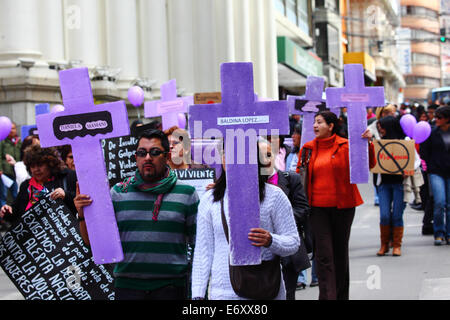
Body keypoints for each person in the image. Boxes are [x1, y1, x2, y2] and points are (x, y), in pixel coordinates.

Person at [74, 129, 199, 300]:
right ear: (135, 157)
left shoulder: (187, 193)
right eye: (142, 153)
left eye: (154, 152)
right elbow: (93, 243)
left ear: (167, 156)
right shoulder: (118, 193)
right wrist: (83, 215)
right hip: (127, 287)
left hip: (171, 288)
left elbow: (199, 244)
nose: (147, 157)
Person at [191, 141, 300, 300]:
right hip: (223, 294)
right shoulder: (210, 200)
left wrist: (271, 240)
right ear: (223, 160)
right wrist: (198, 295)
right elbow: (203, 252)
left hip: (266, 290)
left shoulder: (274, 196)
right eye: (229, 156)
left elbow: (293, 243)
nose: (234, 161)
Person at [295, 111, 375, 300]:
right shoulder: (307, 148)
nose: (315, 126)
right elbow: (300, 175)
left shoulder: (347, 145)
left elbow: (368, 164)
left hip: (344, 207)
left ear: (331, 126)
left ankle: (341, 296)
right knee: (323, 255)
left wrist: (369, 143)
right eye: (314, 122)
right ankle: (327, 296)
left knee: (340, 253)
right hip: (316, 209)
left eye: (320, 122)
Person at [257, 137, 310, 300]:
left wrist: (280, 220)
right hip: (260, 253)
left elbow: (302, 208)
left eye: (268, 154)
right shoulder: (249, 184)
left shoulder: (290, 178)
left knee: (287, 295)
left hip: (287, 254)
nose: (264, 159)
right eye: (259, 155)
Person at [0, 145, 78, 223]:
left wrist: (66, 195)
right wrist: (7, 212)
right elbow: (16, 214)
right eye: (32, 166)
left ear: (50, 164)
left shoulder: (67, 177)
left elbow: (81, 203)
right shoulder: (26, 185)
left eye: (40, 165)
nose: (36, 169)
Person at [375, 116, 408, 256]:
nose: (380, 129)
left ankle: (396, 245)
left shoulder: (405, 142)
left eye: (382, 126)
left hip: (400, 184)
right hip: (384, 184)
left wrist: (409, 169)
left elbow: (415, 160)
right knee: (384, 215)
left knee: (397, 215)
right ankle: (384, 244)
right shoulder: (378, 143)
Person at [419, 106, 450, 245]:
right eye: (435, 117)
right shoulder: (431, 132)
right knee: (439, 202)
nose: (436, 119)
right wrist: (430, 166)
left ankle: (448, 233)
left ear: (447, 119)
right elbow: (424, 151)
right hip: (436, 171)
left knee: (449, 204)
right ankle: (438, 232)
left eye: (439, 117)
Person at [0, 122, 21, 207]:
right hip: (5, 173)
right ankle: (2, 217)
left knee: (16, 194)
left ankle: (16, 216)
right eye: (10, 129)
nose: (12, 131)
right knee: (3, 196)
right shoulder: (2, 141)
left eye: (14, 128)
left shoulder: (18, 141)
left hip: (16, 172)